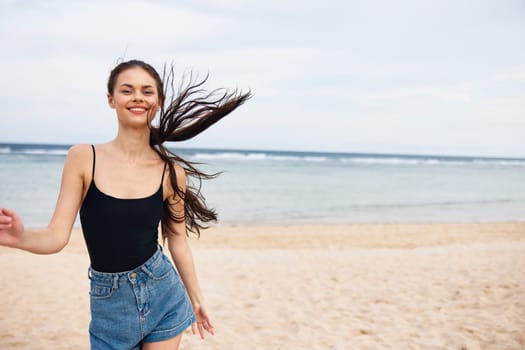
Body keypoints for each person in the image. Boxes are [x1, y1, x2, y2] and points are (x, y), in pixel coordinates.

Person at [0, 59, 251, 349]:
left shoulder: (171, 173)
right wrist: (19, 237)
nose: (137, 98)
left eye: (147, 91)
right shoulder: (83, 158)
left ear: (158, 101)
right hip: (110, 306)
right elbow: (56, 236)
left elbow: (178, 241)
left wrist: (197, 298)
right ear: (111, 99)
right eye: (127, 90)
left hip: (164, 296)